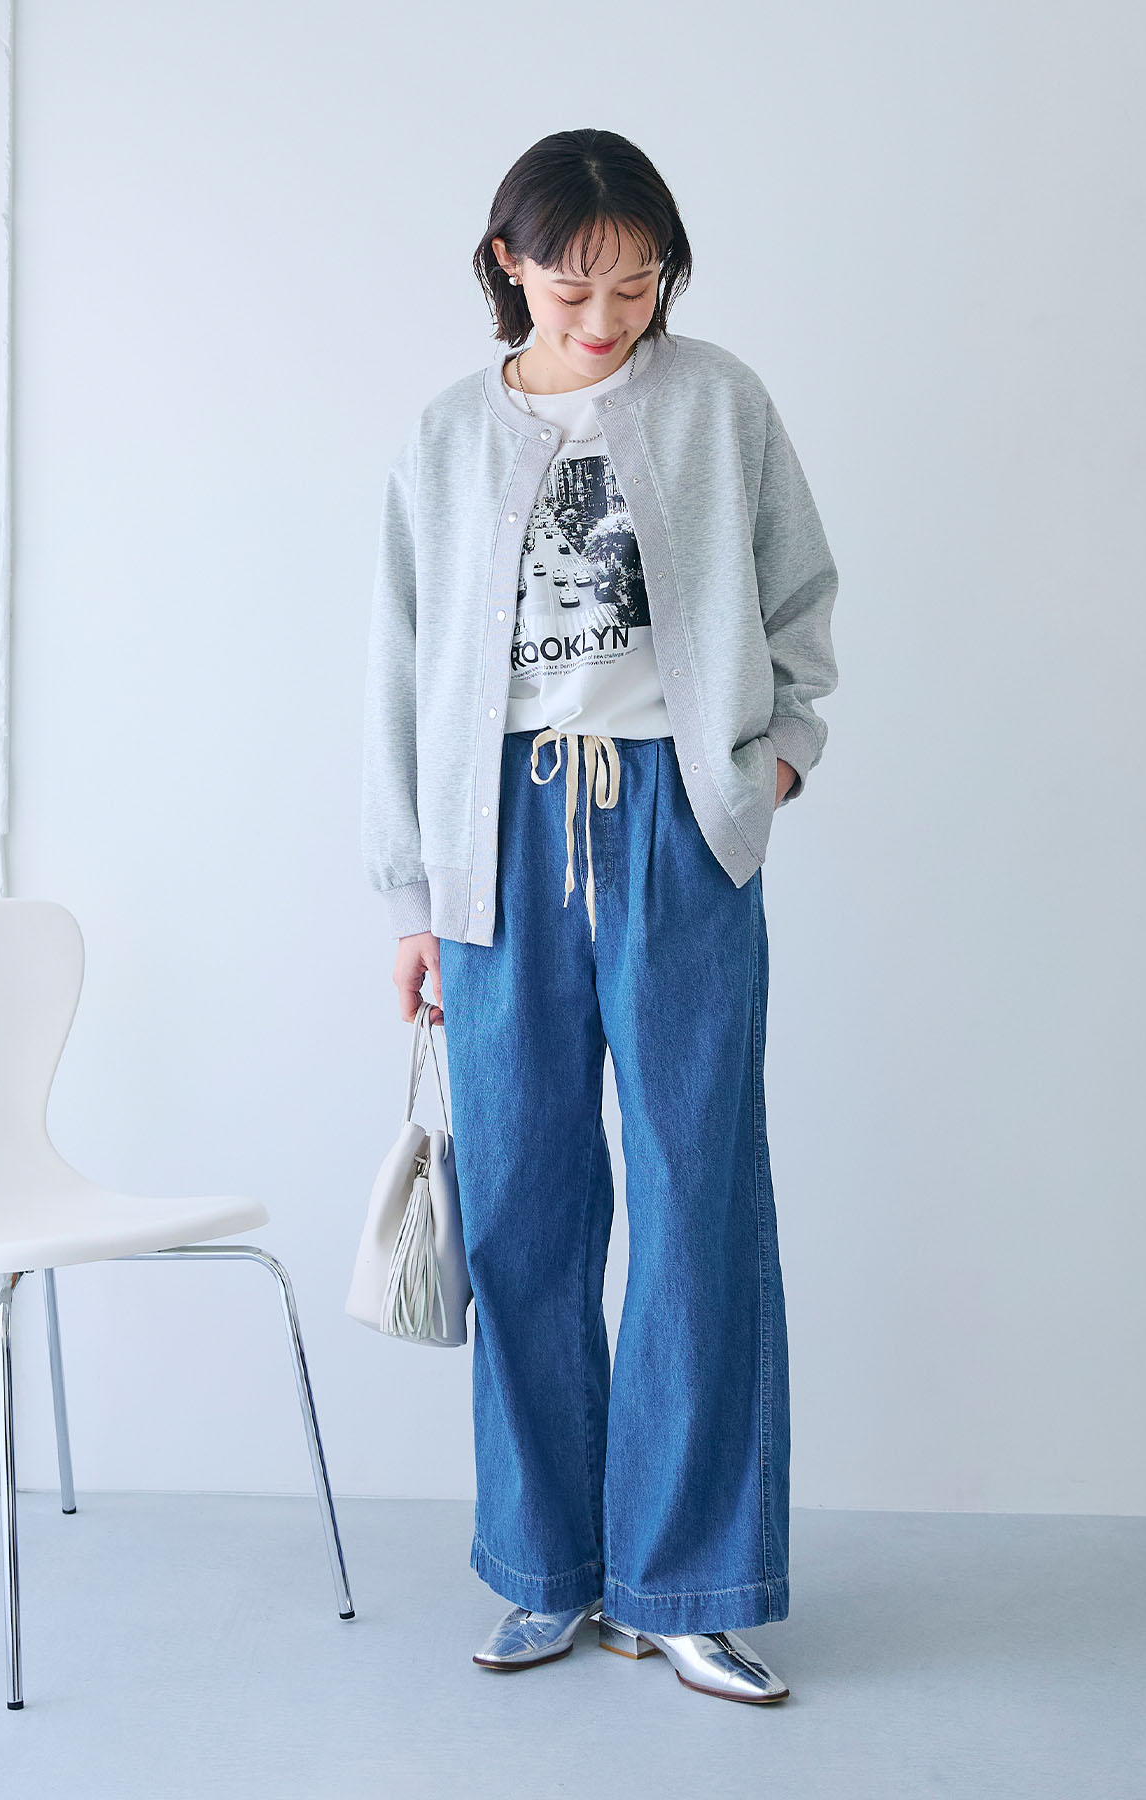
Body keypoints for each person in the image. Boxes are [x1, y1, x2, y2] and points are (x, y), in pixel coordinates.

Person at [359, 128, 838, 1706]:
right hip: (497, 843)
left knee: (700, 1195)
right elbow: (398, 669)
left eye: (639, 286)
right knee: (521, 1206)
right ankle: (545, 1569)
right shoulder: (446, 436)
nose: (610, 316)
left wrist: (771, 763)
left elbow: (799, 595)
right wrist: (416, 896)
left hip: (678, 830)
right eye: (576, 289)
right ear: (512, 265)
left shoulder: (719, 403)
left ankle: (685, 1585)